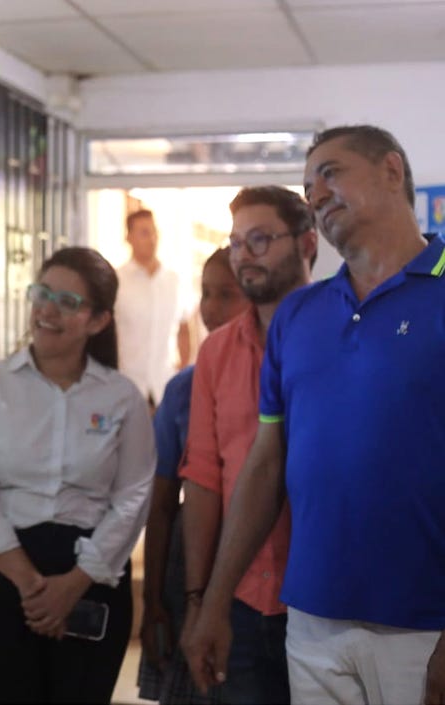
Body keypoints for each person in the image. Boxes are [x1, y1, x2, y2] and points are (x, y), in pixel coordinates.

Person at [183, 124, 445, 705]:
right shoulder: (300, 316)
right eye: (307, 186)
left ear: (392, 171)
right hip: (313, 622)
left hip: (424, 625)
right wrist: (215, 601)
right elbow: (265, 465)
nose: (316, 194)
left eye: (330, 173)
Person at [0, 246, 155, 704]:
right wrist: (30, 585)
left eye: (67, 302)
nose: (47, 309)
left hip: (89, 577)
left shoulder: (122, 399)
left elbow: (135, 497)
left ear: (98, 321)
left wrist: (73, 584)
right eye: (43, 293)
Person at [179, 186, 317, 705]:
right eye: (236, 242)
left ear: (308, 243)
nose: (244, 255)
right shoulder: (216, 350)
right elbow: (205, 477)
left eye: (260, 239)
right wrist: (201, 600)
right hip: (237, 593)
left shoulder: (335, 334)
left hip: (318, 597)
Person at [137, 246, 249, 704]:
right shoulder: (183, 389)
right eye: (206, 294)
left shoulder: (280, 376)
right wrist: (153, 602)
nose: (212, 308)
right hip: (191, 562)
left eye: (228, 294)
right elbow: (162, 505)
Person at [114, 209, 192, 408]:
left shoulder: (173, 281)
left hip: (165, 386)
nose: (152, 239)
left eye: (154, 232)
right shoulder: (117, 281)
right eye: (144, 233)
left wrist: (182, 371)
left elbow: (184, 329)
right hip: (128, 385)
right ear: (129, 237)